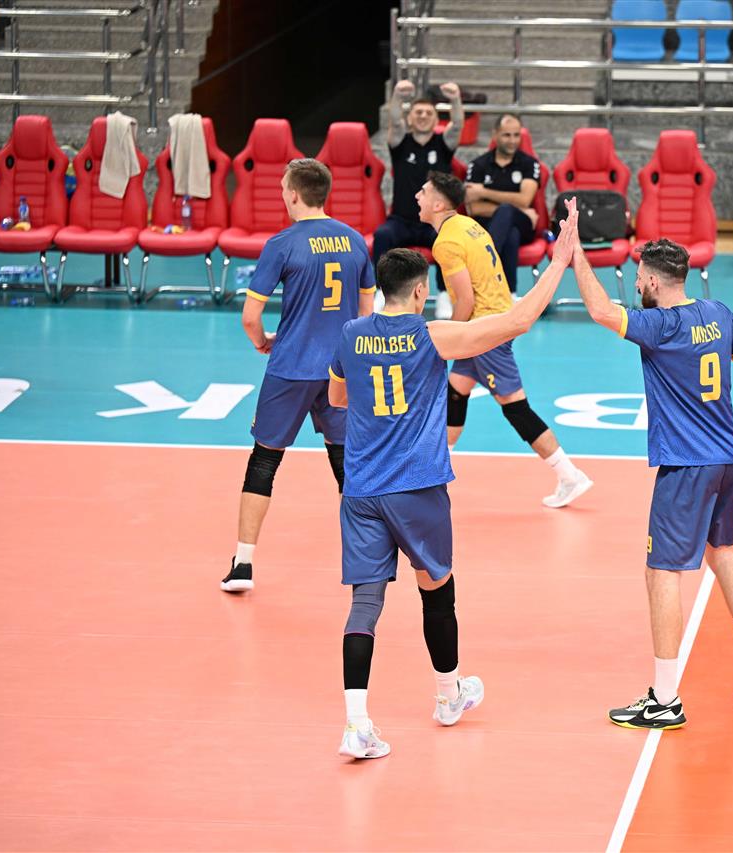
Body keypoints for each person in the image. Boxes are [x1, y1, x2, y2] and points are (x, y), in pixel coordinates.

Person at [329, 202, 581, 759]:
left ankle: (356, 724)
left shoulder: (349, 335)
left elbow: (337, 399)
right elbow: (516, 321)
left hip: (362, 489)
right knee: (436, 590)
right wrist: (560, 262)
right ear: (421, 292)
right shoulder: (433, 336)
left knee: (365, 604)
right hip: (416, 488)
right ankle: (448, 696)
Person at [570, 237, 733, 730]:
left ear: (653, 281)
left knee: (661, 572)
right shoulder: (719, 313)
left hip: (686, 466)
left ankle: (664, 700)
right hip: (727, 459)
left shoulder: (659, 326)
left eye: (639, 277)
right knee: (721, 553)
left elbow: (600, 311)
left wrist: (573, 252)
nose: (636, 283)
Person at [222, 158, 376, 593]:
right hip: (341, 370)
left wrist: (263, 341)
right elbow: (366, 314)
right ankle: (365, 563)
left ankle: (243, 565)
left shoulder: (282, 244)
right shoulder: (355, 241)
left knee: (264, 460)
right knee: (346, 464)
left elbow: (250, 317)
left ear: (293, 193)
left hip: (291, 367)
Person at [417, 171, 593, 508]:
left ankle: (570, 475)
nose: (417, 197)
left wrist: (446, 342)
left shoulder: (447, 242)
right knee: (456, 391)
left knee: (515, 408)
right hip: (493, 319)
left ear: (438, 204)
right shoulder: (468, 225)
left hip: (486, 329)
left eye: (424, 192)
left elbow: (465, 301)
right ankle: (436, 471)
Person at [374, 79, 463, 319]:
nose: (423, 116)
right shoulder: (400, 143)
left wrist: (455, 99)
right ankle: (382, 292)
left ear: (436, 120)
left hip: (433, 222)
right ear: (410, 118)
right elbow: (394, 121)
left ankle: (444, 294)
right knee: (382, 235)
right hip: (401, 220)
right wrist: (397, 96)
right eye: (418, 112)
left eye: (428, 113)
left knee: (447, 240)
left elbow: (457, 126)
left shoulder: (443, 145)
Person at [463, 114, 541, 296]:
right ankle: (509, 296)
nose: (512, 141)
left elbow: (525, 200)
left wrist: (483, 192)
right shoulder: (478, 165)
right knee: (510, 234)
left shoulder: (529, 164)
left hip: (524, 226)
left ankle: (484, 266)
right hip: (486, 226)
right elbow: (474, 209)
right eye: (507, 135)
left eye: (516, 135)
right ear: (495, 134)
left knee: (508, 214)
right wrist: (515, 209)